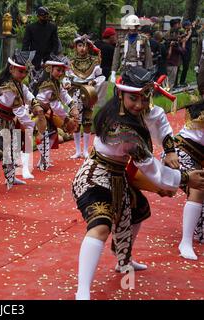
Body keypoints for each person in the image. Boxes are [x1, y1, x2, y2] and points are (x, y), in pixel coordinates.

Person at [71, 66, 204, 300]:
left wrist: (171, 150)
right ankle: (83, 291)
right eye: (134, 98)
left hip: (119, 176)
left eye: (144, 98)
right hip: (94, 177)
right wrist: (185, 178)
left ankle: (124, 261)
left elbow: (160, 121)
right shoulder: (121, 128)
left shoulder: (139, 110)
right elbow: (150, 168)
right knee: (101, 226)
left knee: (138, 209)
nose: (139, 105)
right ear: (120, 94)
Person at [0, 49, 38, 201]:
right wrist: (33, 126)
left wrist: (36, 104)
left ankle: (11, 178)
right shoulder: (7, 87)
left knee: (11, 151)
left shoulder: (18, 84)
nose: (23, 75)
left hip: (7, 122)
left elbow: (28, 94)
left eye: (25, 72)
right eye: (21, 71)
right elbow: (20, 112)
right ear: (11, 69)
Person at [167, 101, 204, 259]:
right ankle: (185, 242)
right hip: (178, 156)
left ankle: (196, 231)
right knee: (200, 185)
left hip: (195, 159)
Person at [34, 54, 78, 170]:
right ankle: (43, 161)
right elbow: (56, 105)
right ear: (50, 68)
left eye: (62, 71)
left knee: (50, 135)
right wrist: (67, 118)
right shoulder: (48, 84)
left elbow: (63, 94)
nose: (60, 73)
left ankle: (43, 160)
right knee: (44, 135)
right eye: (58, 70)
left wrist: (72, 105)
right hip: (40, 112)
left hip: (49, 112)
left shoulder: (55, 82)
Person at [65, 35, 105, 159]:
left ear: (88, 47)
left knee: (87, 121)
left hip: (88, 93)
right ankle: (77, 151)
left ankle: (86, 150)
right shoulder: (70, 63)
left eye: (85, 46)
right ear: (76, 47)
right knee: (76, 121)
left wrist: (94, 82)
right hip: (75, 92)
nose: (82, 48)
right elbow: (66, 77)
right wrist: (66, 82)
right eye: (80, 45)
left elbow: (100, 77)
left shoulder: (94, 62)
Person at [111, 14, 152, 83]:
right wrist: (113, 72)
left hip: (139, 71)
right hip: (125, 70)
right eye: (131, 26)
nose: (133, 28)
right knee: (121, 91)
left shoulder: (144, 39)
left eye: (135, 26)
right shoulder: (121, 40)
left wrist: (149, 71)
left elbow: (148, 58)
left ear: (138, 26)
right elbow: (116, 58)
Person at [94, 27, 117, 108]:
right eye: (114, 36)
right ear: (111, 37)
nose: (115, 37)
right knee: (100, 98)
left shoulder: (96, 44)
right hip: (104, 74)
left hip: (92, 73)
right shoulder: (111, 49)